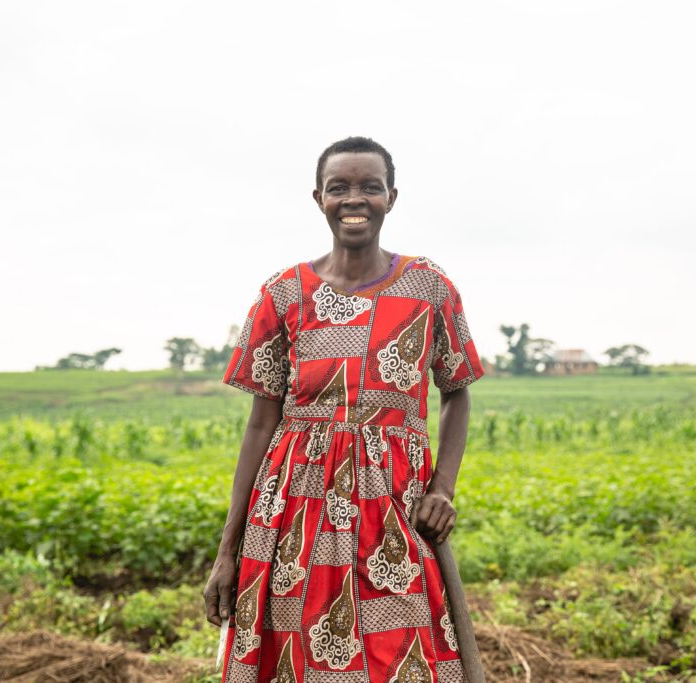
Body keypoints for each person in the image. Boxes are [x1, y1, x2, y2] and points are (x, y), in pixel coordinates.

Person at [203, 136, 485, 683]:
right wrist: (227, 548)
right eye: (340, 188)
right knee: (298, 654)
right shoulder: (282, 294)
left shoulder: (430, 288)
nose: (354, 200)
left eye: (369, 188)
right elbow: (262, 421)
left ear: (391, 197)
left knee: (400, 654)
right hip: (293, 512)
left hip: (394, 508)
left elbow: (457, 390)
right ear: (319, 198)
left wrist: (443, 487)